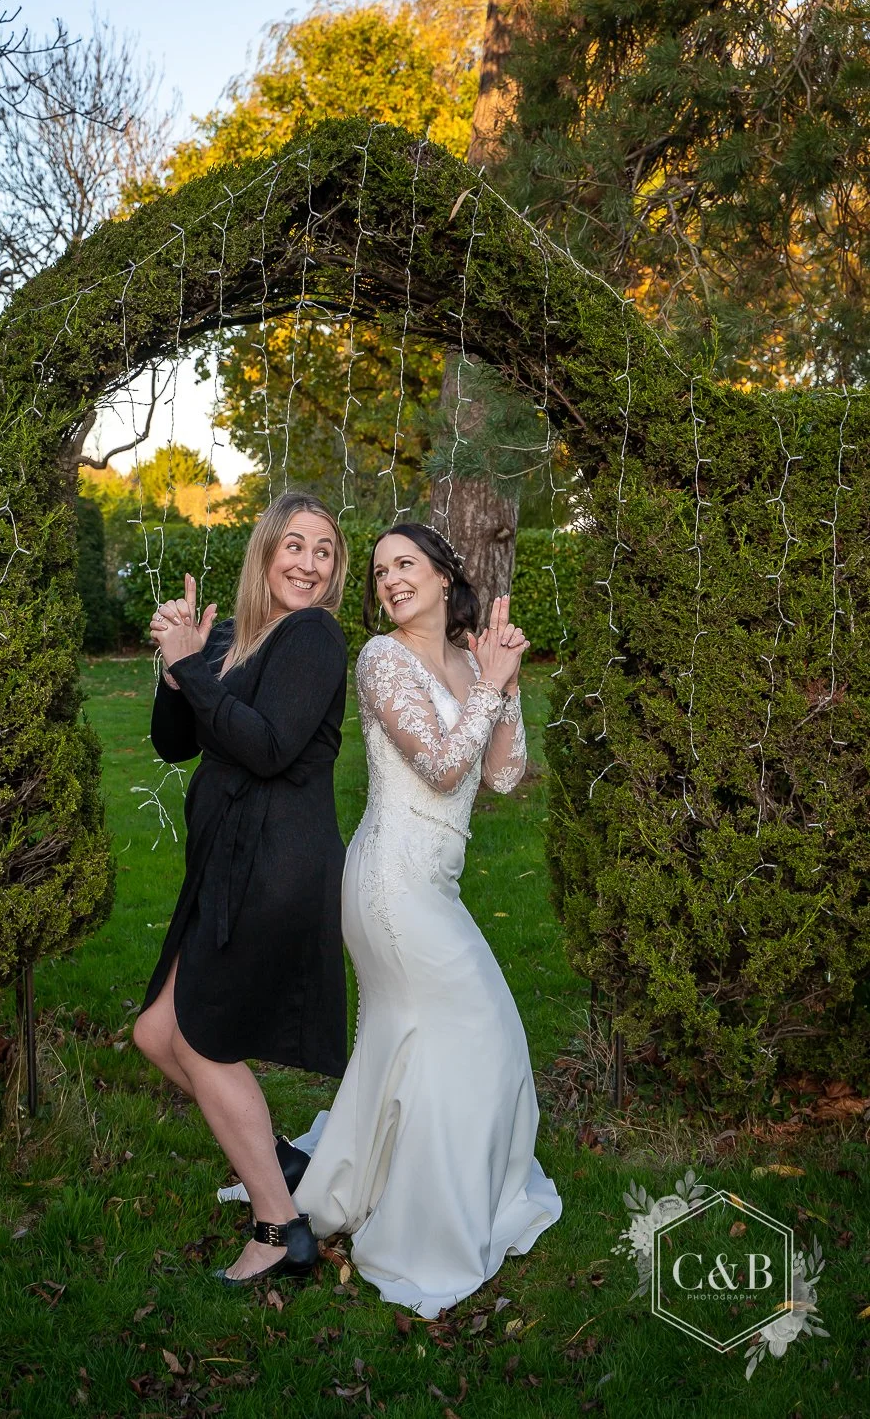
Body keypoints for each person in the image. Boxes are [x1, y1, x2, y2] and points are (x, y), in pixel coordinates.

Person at [289, 521, 563, 1315]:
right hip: (390, 884)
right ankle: (427, 1225)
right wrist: (489, 689)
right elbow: (443, 768)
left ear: (446, 575)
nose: (390, 581)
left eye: (405, 564)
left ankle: (383, 1179)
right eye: (379, 572)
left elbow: (503, 776)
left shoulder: (467, 661)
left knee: (420, 1042)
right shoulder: (382, 659)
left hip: (433, 885)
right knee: (487, 1033)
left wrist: (506, 685)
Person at [132, 491, 349, 1286]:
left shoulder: (314, 636)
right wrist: (177, 666)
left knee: (199, 1037)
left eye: (324, 551)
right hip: (225, 861)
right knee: (156, 1033)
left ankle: (280, 1228)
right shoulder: (232, 636)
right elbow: (173, 743)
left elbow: (266, 748)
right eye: (295, 545)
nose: (309, 564)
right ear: (266, 551)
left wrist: (194, 670)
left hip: (277, 862)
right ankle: (279, 1160)